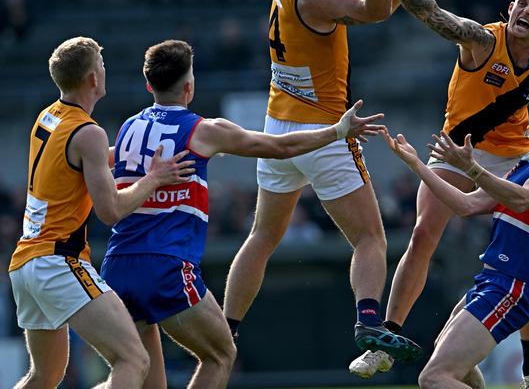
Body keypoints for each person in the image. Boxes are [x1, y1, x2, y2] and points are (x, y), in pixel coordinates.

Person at [100, 39, 386, 389]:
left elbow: (99, 163)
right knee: (220, 354)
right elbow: (281, 147)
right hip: (165, 268)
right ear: (189, 86)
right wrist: (338, 131)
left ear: (149, 85)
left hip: (116, 266)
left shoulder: (127, 129)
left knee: (140, 375)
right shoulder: (203, 130)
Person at [222, 0, 431, 363]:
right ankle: (369, 321)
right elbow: (372, 10)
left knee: (261, 236)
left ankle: (226, 329)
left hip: (278, 128)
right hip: (324, 131)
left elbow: (368, 1)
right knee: (370, 239)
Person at [350, 0, 529, 385]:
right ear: (510, 7)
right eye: (521, 2)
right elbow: (437, 16)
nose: (525, 10)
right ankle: (385, 342)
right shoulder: (483, 40)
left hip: (514, 158)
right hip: (457, 149)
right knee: (422, 232)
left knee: (523, 255)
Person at [8, 37, 194, 389]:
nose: (105, 71)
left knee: (44, 376)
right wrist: (154, 177)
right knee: (134, 360)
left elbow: (78, 160)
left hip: (25, 265)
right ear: (93, 79)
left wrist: (130, 150)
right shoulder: (89, 133)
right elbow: (112, 211)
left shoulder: (48, 117)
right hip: (57, 262)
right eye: (102, 65)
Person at [383, 92, 529, 389]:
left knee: (434, 378)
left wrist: (472, 168)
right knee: (449, 363)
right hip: (494, 280)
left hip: (512, 285)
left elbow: (523, 200)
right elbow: (465, 205)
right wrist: (416, 164)